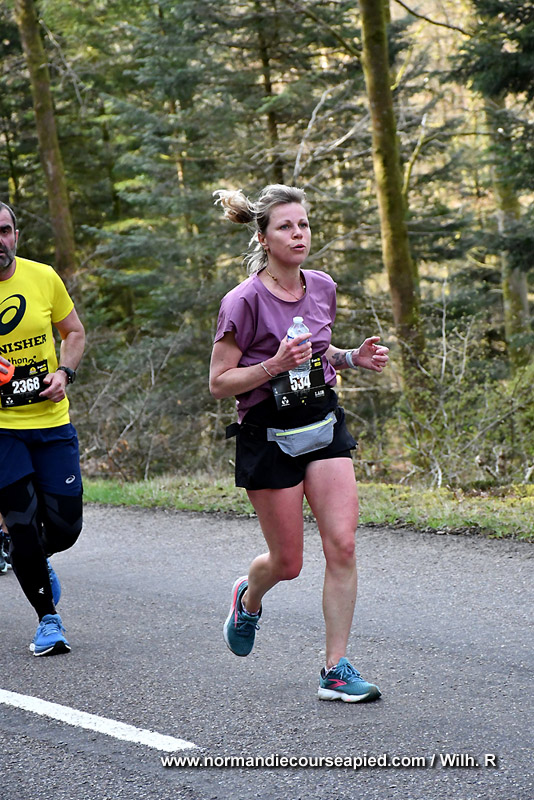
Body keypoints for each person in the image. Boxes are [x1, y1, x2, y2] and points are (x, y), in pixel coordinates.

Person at [209, 184, 389, 703]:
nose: (298, 234)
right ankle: (248, 597)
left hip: (321, 422)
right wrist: (272, 366)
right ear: (263, 238)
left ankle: (336, 668)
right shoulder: (242, 301)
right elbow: (219, 383)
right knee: (288, 563)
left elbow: (318, 348)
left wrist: (351, 358)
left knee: (343, 544)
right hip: (267, 433)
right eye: (285, 226)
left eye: (303, 224)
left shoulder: (323, 286)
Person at [0, 201, 85, 656]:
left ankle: (29, 553)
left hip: (51, 422)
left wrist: (64, 373)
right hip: (2, 431)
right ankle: (47, 619)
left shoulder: (43, 276)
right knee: (22, 525)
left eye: (4, 231)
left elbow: (74, 332)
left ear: (16, 235)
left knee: (66, 527)